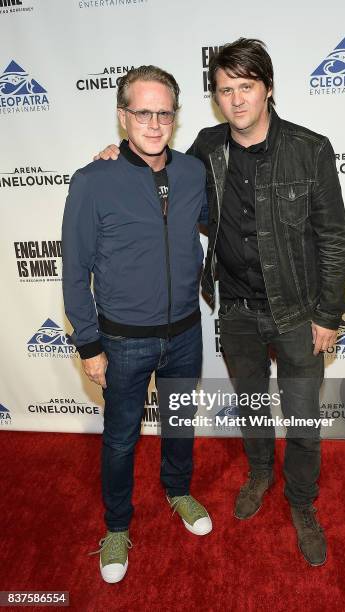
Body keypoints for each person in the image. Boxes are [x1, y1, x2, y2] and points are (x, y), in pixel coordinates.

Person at [95, 38, 345, 567]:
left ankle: (302, 503)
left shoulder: (311, 148)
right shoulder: (207, 149)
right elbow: (159, 175)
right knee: (253, 409)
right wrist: (114, 158)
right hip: (234, 309)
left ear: (268, 89)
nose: (236, 100)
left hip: (298, 311)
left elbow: (333, 238)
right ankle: (259, 474)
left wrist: (328, 315)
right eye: (225, 90)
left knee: (302, 419)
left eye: (247, 88)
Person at [62, 65, 212, 584]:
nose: (153, 123)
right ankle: (118, 526)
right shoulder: (91, 181)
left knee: (179, 423)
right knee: (121, 438)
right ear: (123, 115)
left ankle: (178, 491)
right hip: (122, 341)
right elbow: (74, 271)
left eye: (163, 112)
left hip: (186, 333)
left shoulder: (194, 172)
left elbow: (225, 224)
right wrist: (88, 344)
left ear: (175, 115)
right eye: (142, 112)